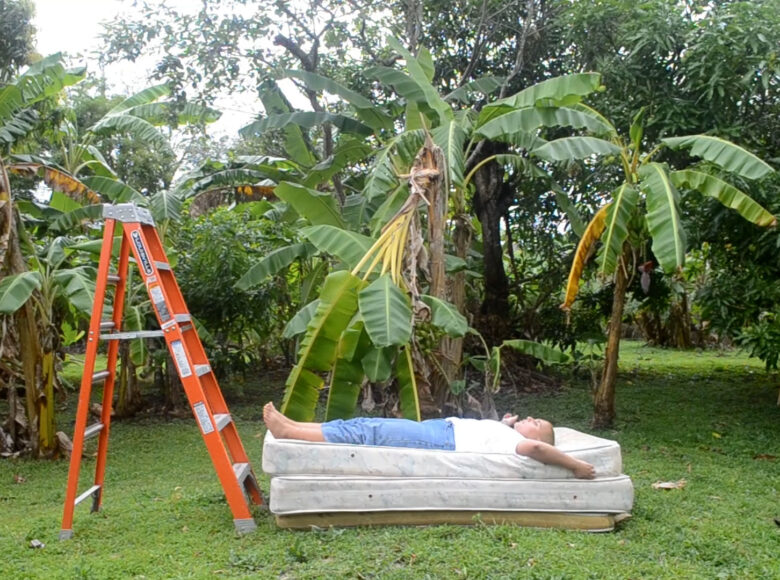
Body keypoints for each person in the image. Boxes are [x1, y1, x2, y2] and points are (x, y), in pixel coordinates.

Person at [263, 402, 596, 479]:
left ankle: (289, 433)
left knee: (370, 433)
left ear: (538, 436)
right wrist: (504, 424)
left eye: (534, 423)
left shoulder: (520, 447)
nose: (528, 419)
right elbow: (506, 431)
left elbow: (539, 449)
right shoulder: (507, 433)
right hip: (440, 431)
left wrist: (576, 465)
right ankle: (295, 426)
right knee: (366, 424)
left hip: (440, 443)